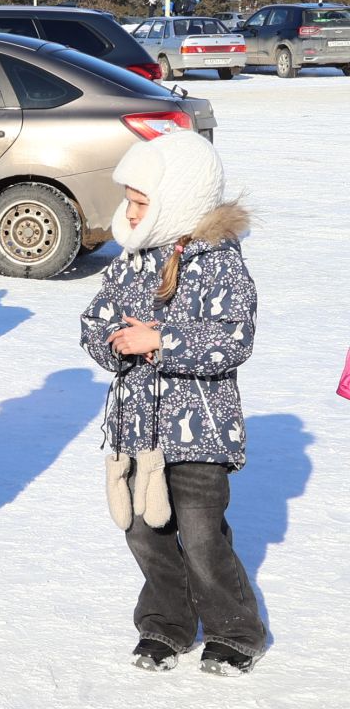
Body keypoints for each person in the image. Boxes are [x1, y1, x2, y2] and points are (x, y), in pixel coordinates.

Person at [80, 131, 264, 675]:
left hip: (200, 430)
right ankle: (166, 622)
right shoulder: (132, 260)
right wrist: (113, 338)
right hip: (136, 426)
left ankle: (234, 630)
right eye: (130, 202)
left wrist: (161, 340)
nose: (129, 214)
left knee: (203, 535)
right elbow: (94, 320)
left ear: (175, 202)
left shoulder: (218, 262)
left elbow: (235, 337)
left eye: (140, 203)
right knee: (144, 531)